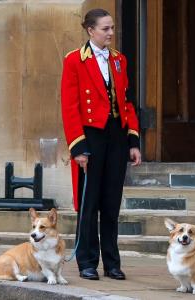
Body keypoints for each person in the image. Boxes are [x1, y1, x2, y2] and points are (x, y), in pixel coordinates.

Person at [61, 8, 141, 281]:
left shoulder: (119, 60)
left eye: (112, 28)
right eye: (106, 28)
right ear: (90, 30)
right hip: (90, 138)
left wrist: (133, 140)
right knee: (89, 203)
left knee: (111, 202)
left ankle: (112, 262)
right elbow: (69, 107)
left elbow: (127, 102)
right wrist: (78, 148)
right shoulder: (74, 60)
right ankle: (86, 261)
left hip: (116, 137)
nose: (111, 33)